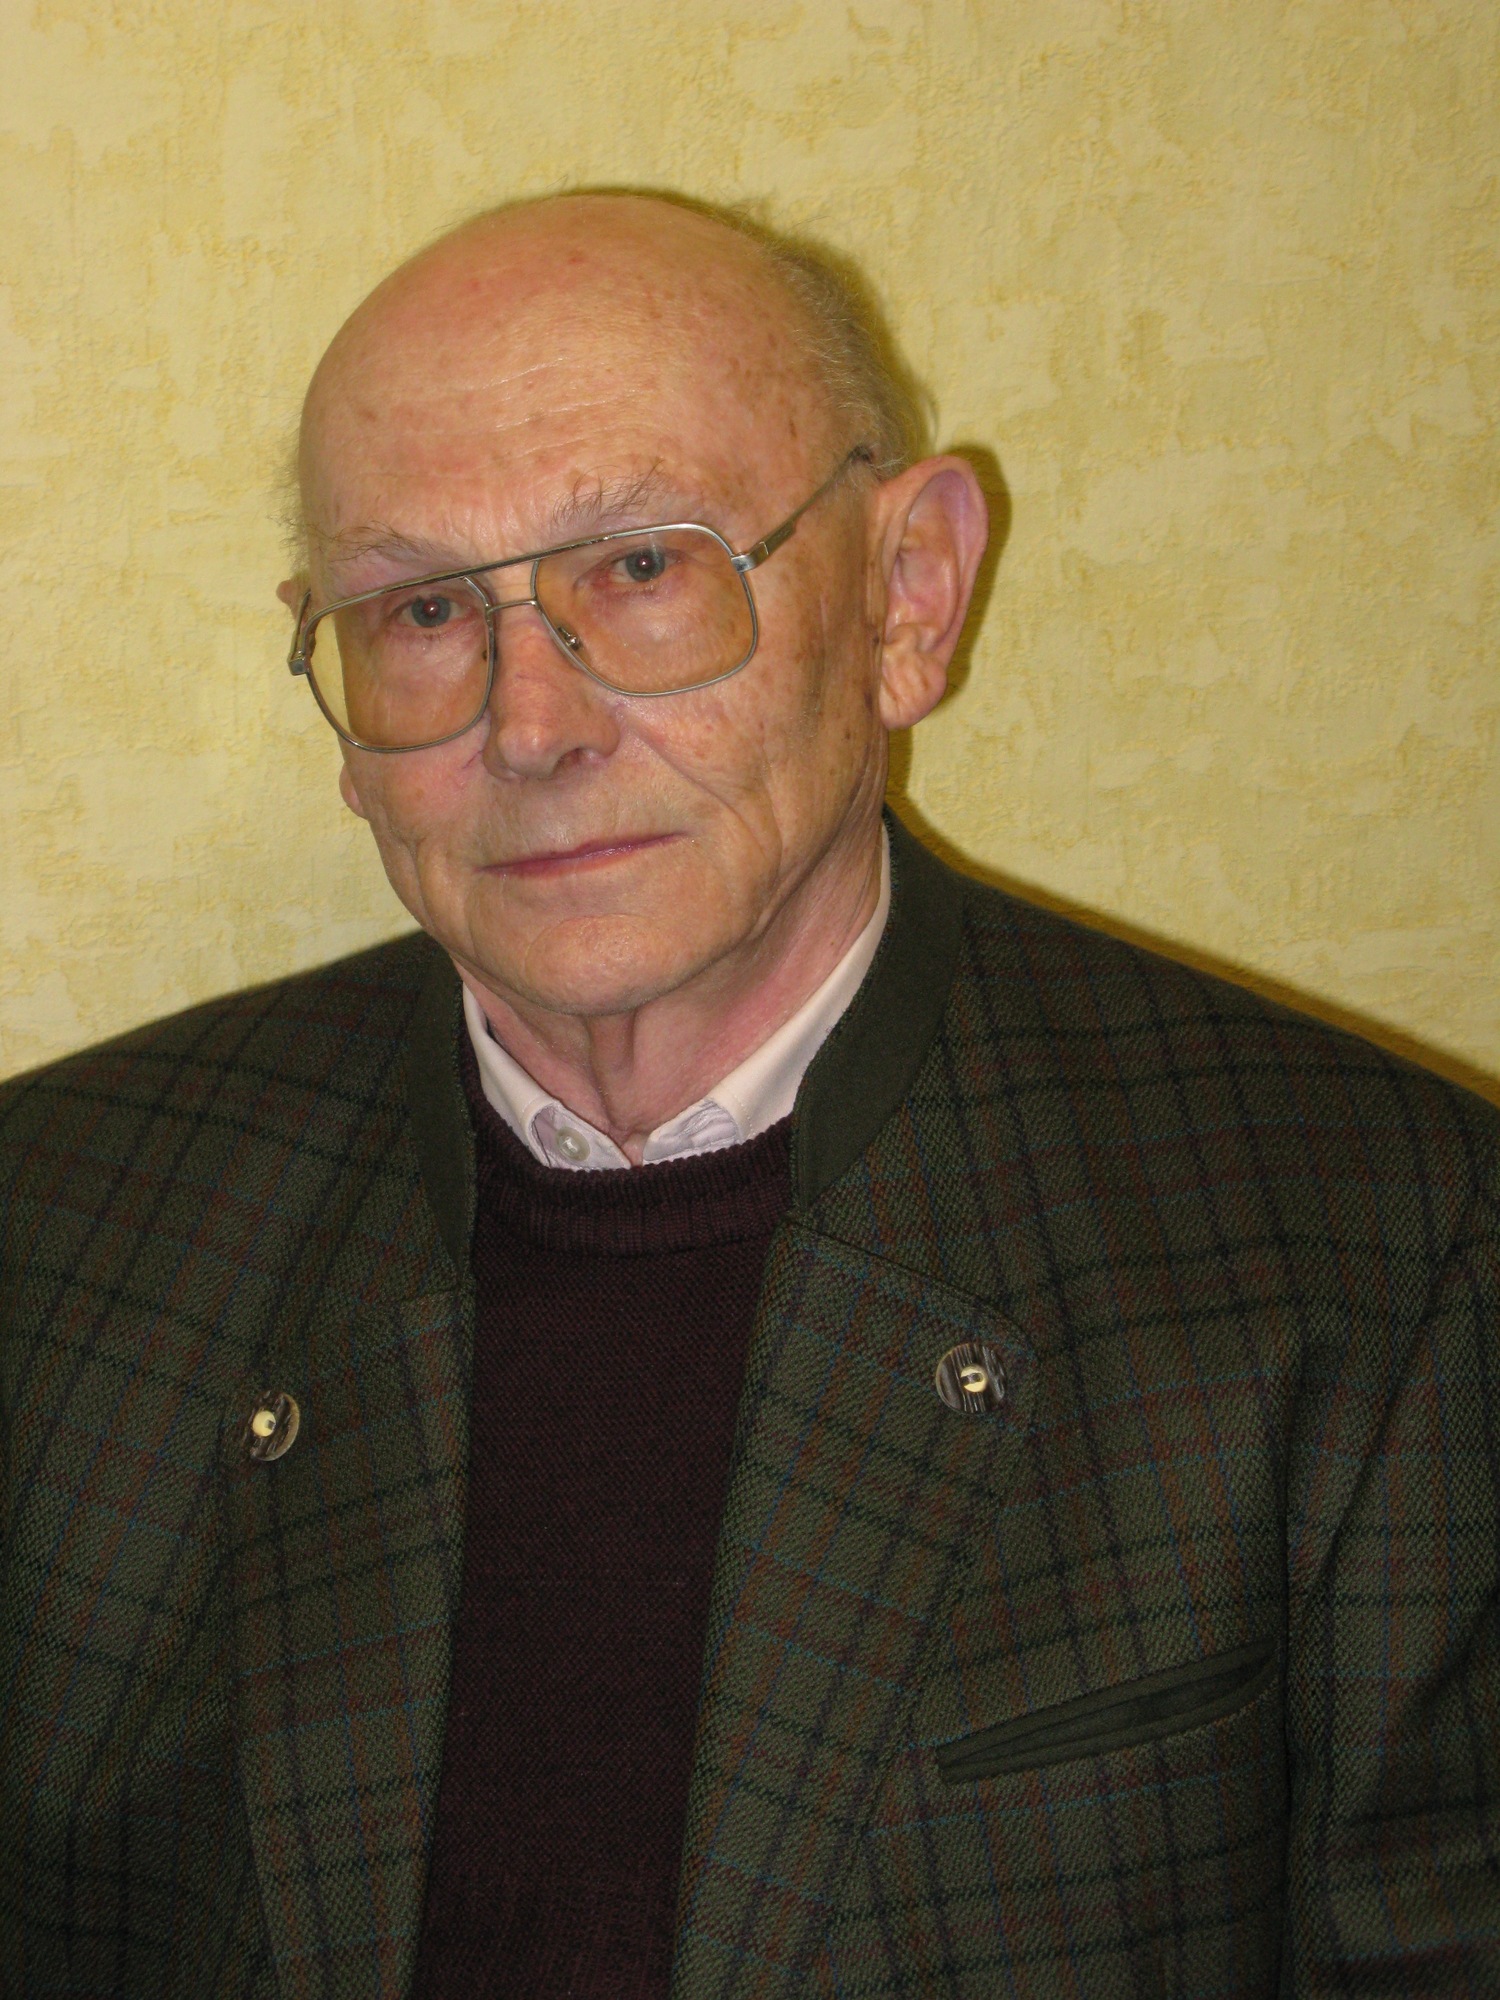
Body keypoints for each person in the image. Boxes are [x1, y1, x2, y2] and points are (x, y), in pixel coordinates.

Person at [1, 191, 1496, 2000]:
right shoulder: (57, 1234)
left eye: (644, 567)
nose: (529, 727)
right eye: (423, 610)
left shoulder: (1376, 1250)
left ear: (907, 595)